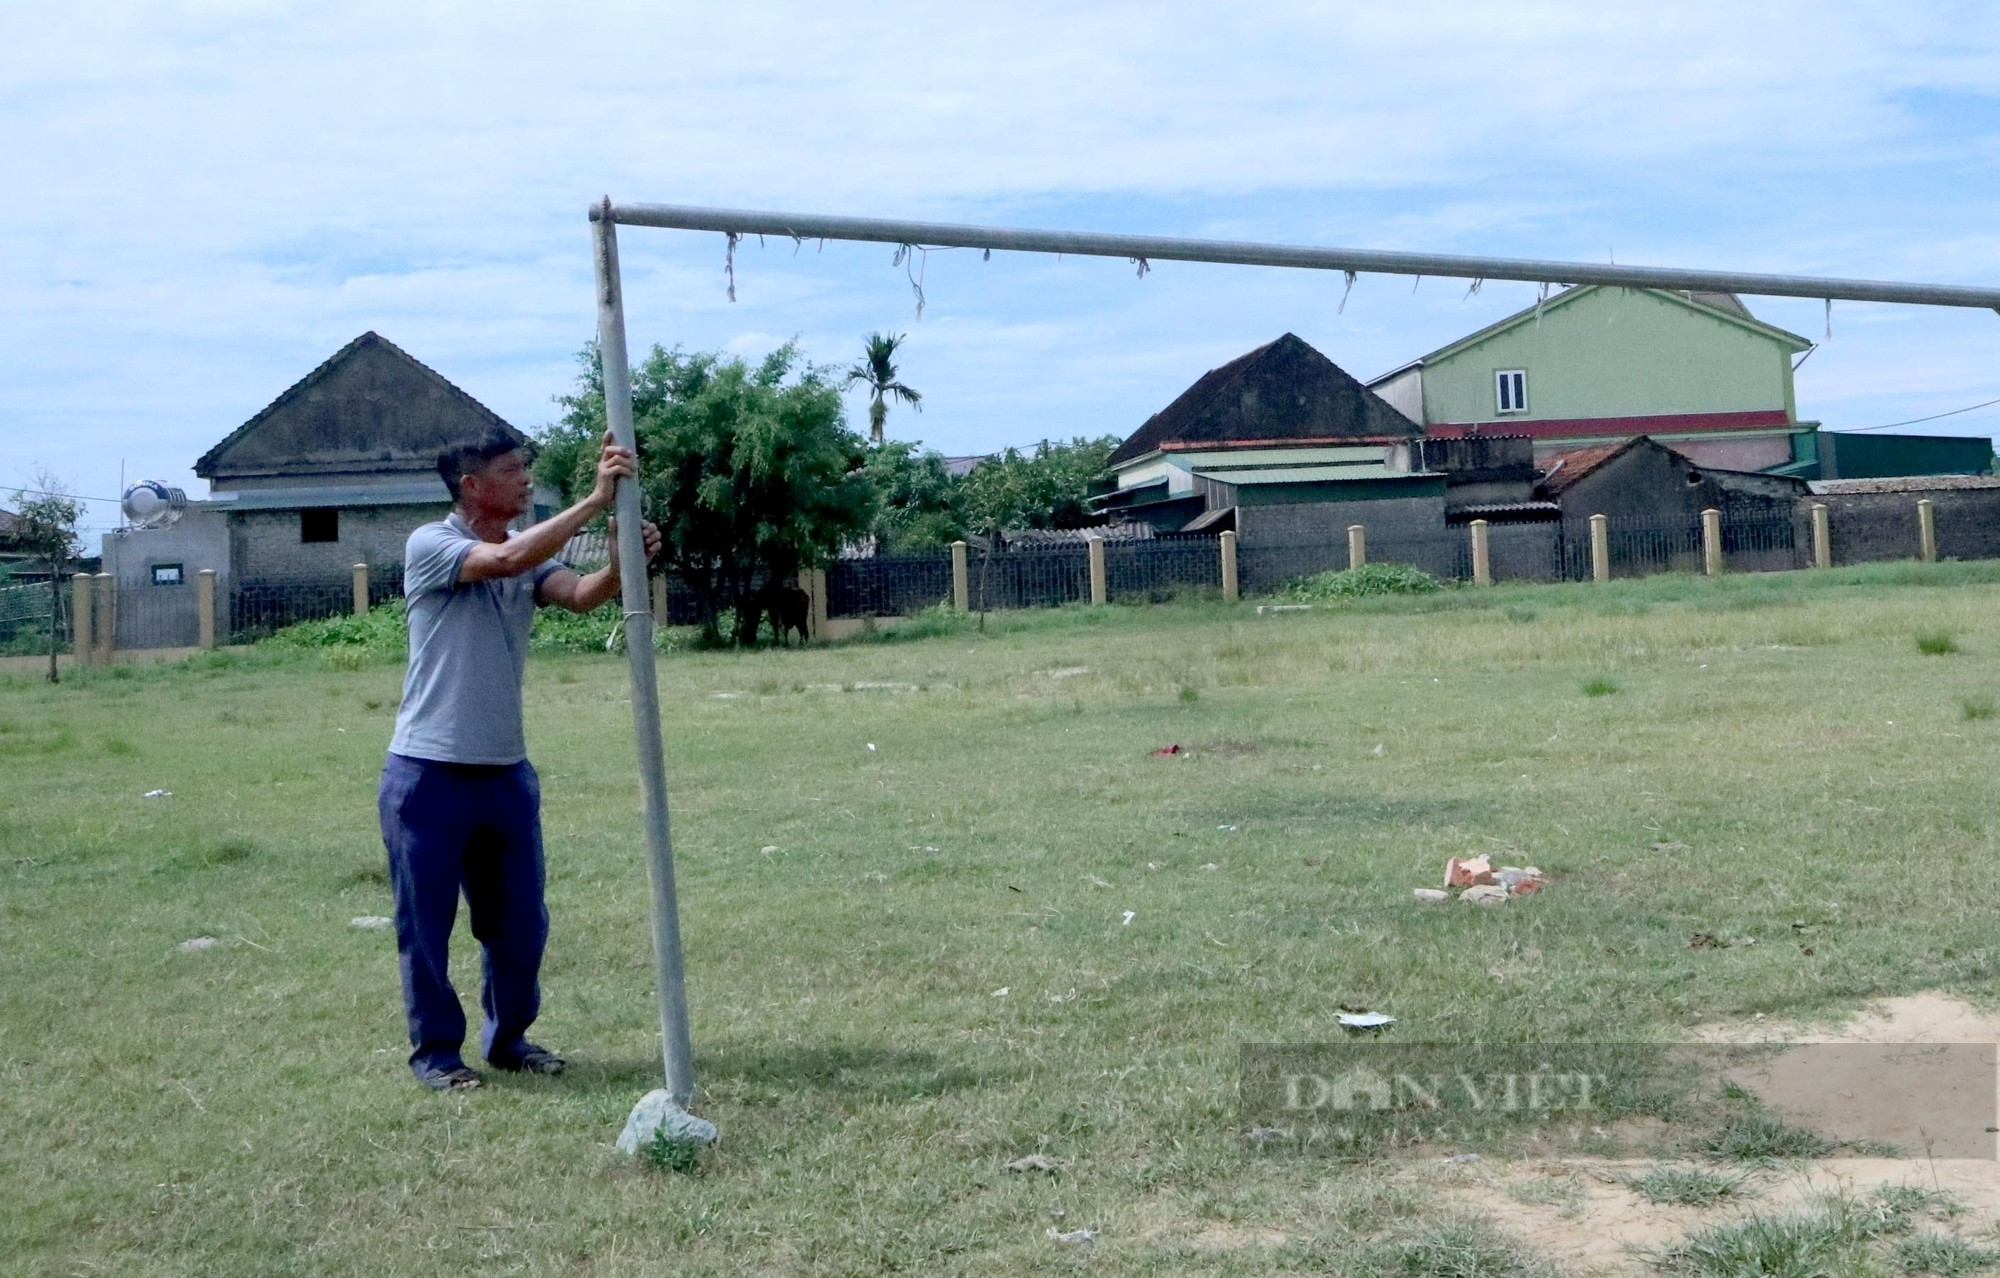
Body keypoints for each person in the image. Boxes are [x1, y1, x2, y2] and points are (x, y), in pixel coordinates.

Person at [378, 428, 660, 1091]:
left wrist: (622, 563)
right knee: (425, 927)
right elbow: (502, 563)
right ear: (472, 485)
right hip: (428, 773)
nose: (528, 480)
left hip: (506, 773)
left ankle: (509, 1039)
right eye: (514, 471)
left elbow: (583, 594)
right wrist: (595, 501)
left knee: (521, 924)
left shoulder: (527, 556)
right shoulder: (433, 544)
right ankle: (437, 1057)